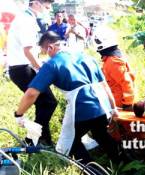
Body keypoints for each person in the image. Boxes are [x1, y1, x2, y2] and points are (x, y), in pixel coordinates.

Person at [14, 31, 124, 164]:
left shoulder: (52, 64)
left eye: (44, 51)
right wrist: (113, 108)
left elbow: (31, 93)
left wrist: (19, 114)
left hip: (82, 106)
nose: (46, 54)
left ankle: (94, 173)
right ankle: (123, 164)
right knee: (101, 134)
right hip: (102, 104)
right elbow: (105, 85)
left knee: (70, 143)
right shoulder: (85, 56)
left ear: (50, 47)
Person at [7, 0, 57, 146]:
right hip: (22, 68)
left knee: (43, 103)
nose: (49, 7)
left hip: (23, 66)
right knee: (48, 102)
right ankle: (32, 139)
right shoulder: (25, 20)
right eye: (47, 4)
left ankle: (42, 139)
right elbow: (27, 50)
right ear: (36, 2)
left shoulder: (28, 18)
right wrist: (40, 69)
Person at [93, 26, 135, 110]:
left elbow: (126, 82)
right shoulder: (112, 57)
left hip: (119, 104)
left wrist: (128, 104)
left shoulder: (113, 61)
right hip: (117, 102)